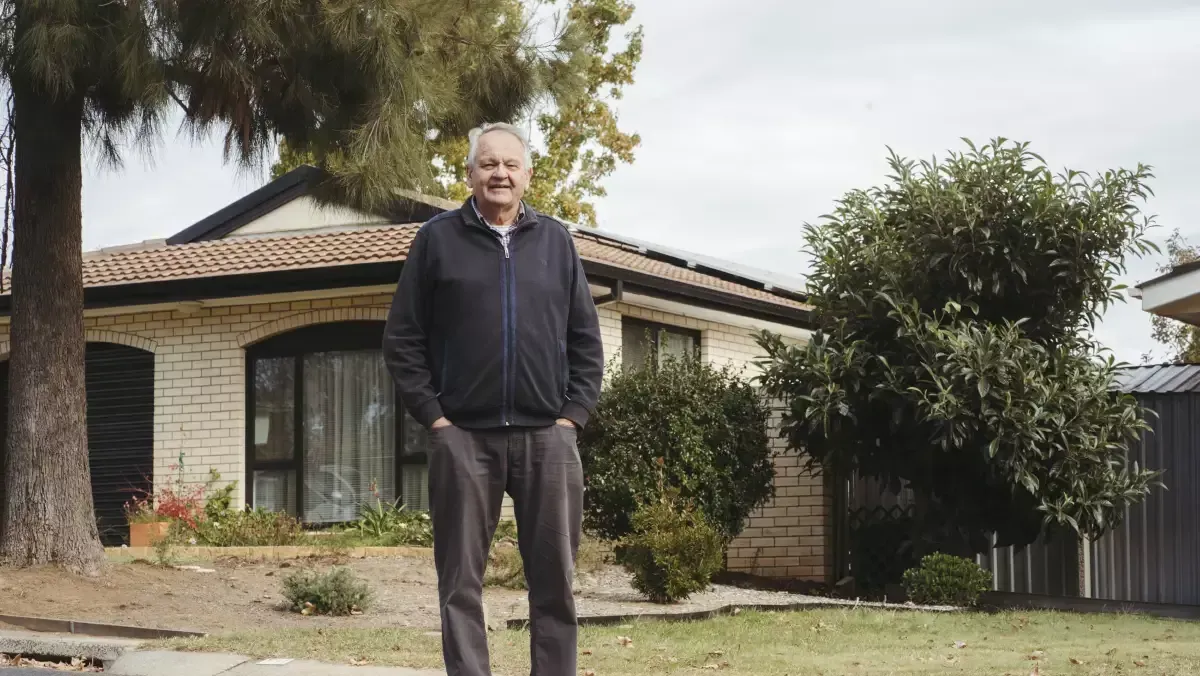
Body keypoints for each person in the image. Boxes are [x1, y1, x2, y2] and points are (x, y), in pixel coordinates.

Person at [384, 122, 605, 676]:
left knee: (555, 582)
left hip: (547, 440)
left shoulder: (556, 242)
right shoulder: (436, 240)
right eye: (488, 164)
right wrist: (436, 419)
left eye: (510, 164)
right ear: (470, 174)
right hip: (463, 439)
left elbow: (585, 340)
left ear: (527, 174)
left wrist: (571, 418)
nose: (499, 174)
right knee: (459, 584)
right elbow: (403, 339)